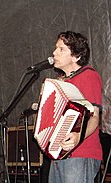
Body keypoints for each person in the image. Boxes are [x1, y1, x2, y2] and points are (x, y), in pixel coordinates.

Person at [48, 31, 102, 183]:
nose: (54, 53)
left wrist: (78, 136)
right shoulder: (60, 82)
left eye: (61, 49)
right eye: (55, 48)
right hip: (58, 154)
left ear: (76, 56)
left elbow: (94, 117)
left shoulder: (88, 76)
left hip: (81, 153)